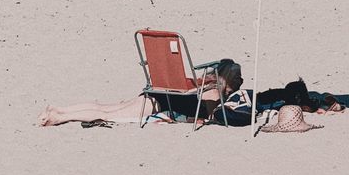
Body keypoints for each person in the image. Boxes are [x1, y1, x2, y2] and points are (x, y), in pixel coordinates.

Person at [38, 59, 253, 128]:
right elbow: (205, 116)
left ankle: (60, 109)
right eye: (237, 80)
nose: (240, 83)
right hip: (155, 105)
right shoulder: (214, 95)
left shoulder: (200, 83)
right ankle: (60, 117)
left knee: (104, 106)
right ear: (228, 80)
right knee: (105, 115)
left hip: (154, 94)